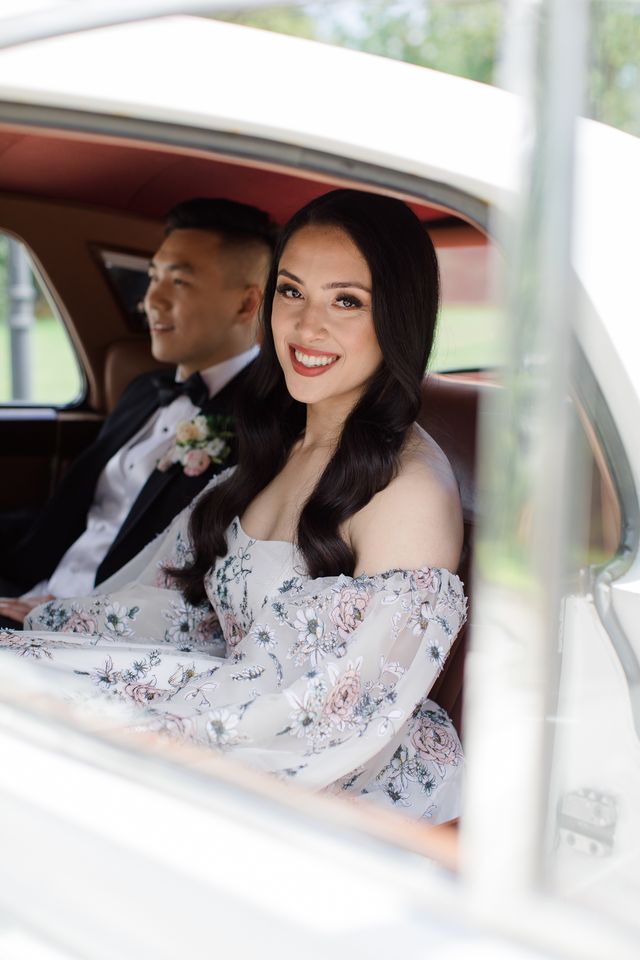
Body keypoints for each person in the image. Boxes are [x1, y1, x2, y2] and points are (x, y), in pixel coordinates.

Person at [0, 190, 466, 822]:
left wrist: (151, 736)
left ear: (400, 317)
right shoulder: (283, 444)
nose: (306, 327)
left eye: (347, 302)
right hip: (229, 703)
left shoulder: (409, 493)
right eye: (292, 291)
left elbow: (334, 722)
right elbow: (185, 604)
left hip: (327, 768)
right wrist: (57, 621)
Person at [0, 198, 276, 625]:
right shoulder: (143, 392)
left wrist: (65, 616)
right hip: (26, 587)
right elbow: (69, 516)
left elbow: (210, 582)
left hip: (104, 631)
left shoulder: (266, 424)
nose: (152, 300)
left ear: (245, 305)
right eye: (153, 277)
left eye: (179, 282)